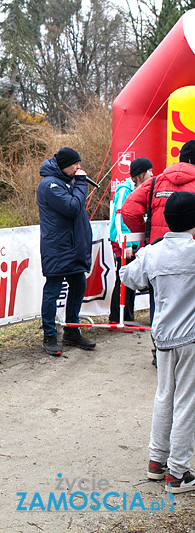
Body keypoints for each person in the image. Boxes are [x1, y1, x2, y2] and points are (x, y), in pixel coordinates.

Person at [120, 191, 195, 493]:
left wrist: (134, 257)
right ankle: (178, 473)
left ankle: (157, 460)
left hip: (162, 337)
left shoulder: (153, 252)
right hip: (191, 338)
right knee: (187, 402)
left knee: (165, 395)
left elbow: (129, 277)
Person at [122, 140, 195, 366]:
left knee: (159, 301)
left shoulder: (156, 181)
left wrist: (142, 238)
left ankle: (160, 350)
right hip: (190, 252)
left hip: (158, 251)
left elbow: (129, 209)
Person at [36, 147, 96, 356]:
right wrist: (80, 183)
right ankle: (49, 336)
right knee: (53, 290)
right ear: (64, 165)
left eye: (79, 163)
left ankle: (71, 331)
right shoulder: (50, 185)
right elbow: (72, 207)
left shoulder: (66, 182)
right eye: (75, 164)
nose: (79, 168)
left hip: (71, 247)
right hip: (57, 247)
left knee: (79, 284)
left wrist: (76, 182)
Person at [108, 157, 153, 325]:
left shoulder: (141, 190)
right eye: (149, 171)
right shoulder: (123, 190)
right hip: (123, 241)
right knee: (123, 277)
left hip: (134, 241)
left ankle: (128, 317)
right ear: (141, 174)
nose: (152, 174)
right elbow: (119, 217)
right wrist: (124, 244)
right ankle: (116, 318)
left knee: (132, 277)